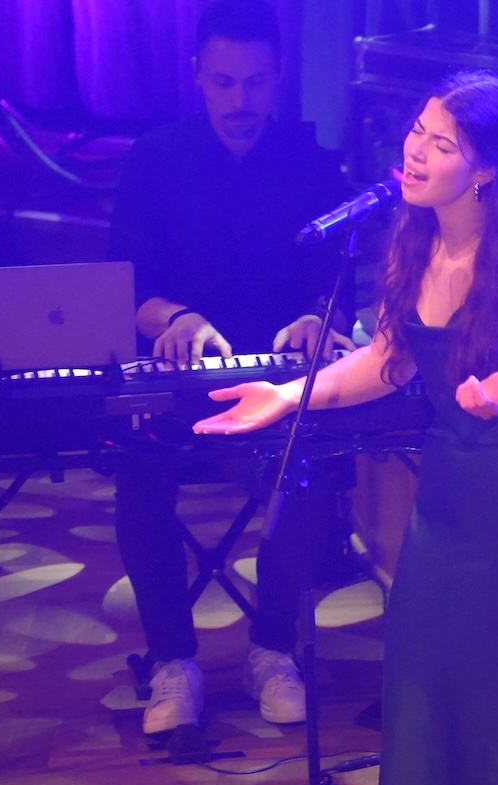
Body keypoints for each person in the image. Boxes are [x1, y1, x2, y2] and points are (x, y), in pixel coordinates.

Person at [195, 71, 498, 785]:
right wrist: (288, 394)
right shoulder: (414, 239)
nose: (416, 152)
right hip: (447, 507)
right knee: (432, 715)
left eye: (441, 144)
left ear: (483, 166)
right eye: (418, 131)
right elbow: (387, 363)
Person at [108, 0, 352, 736]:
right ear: (197, 76)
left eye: (254, 83)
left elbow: (339, 286)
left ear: (279, 75)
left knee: (310, 474)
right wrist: (174, 317)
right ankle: (172, 660)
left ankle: (272, 649)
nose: (240, 100)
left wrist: (320, 319)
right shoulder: (155, 159)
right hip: (180, 379)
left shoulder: (311, 165)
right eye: (223, 83)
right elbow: (124, 285)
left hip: (277, 385)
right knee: (138, 473)